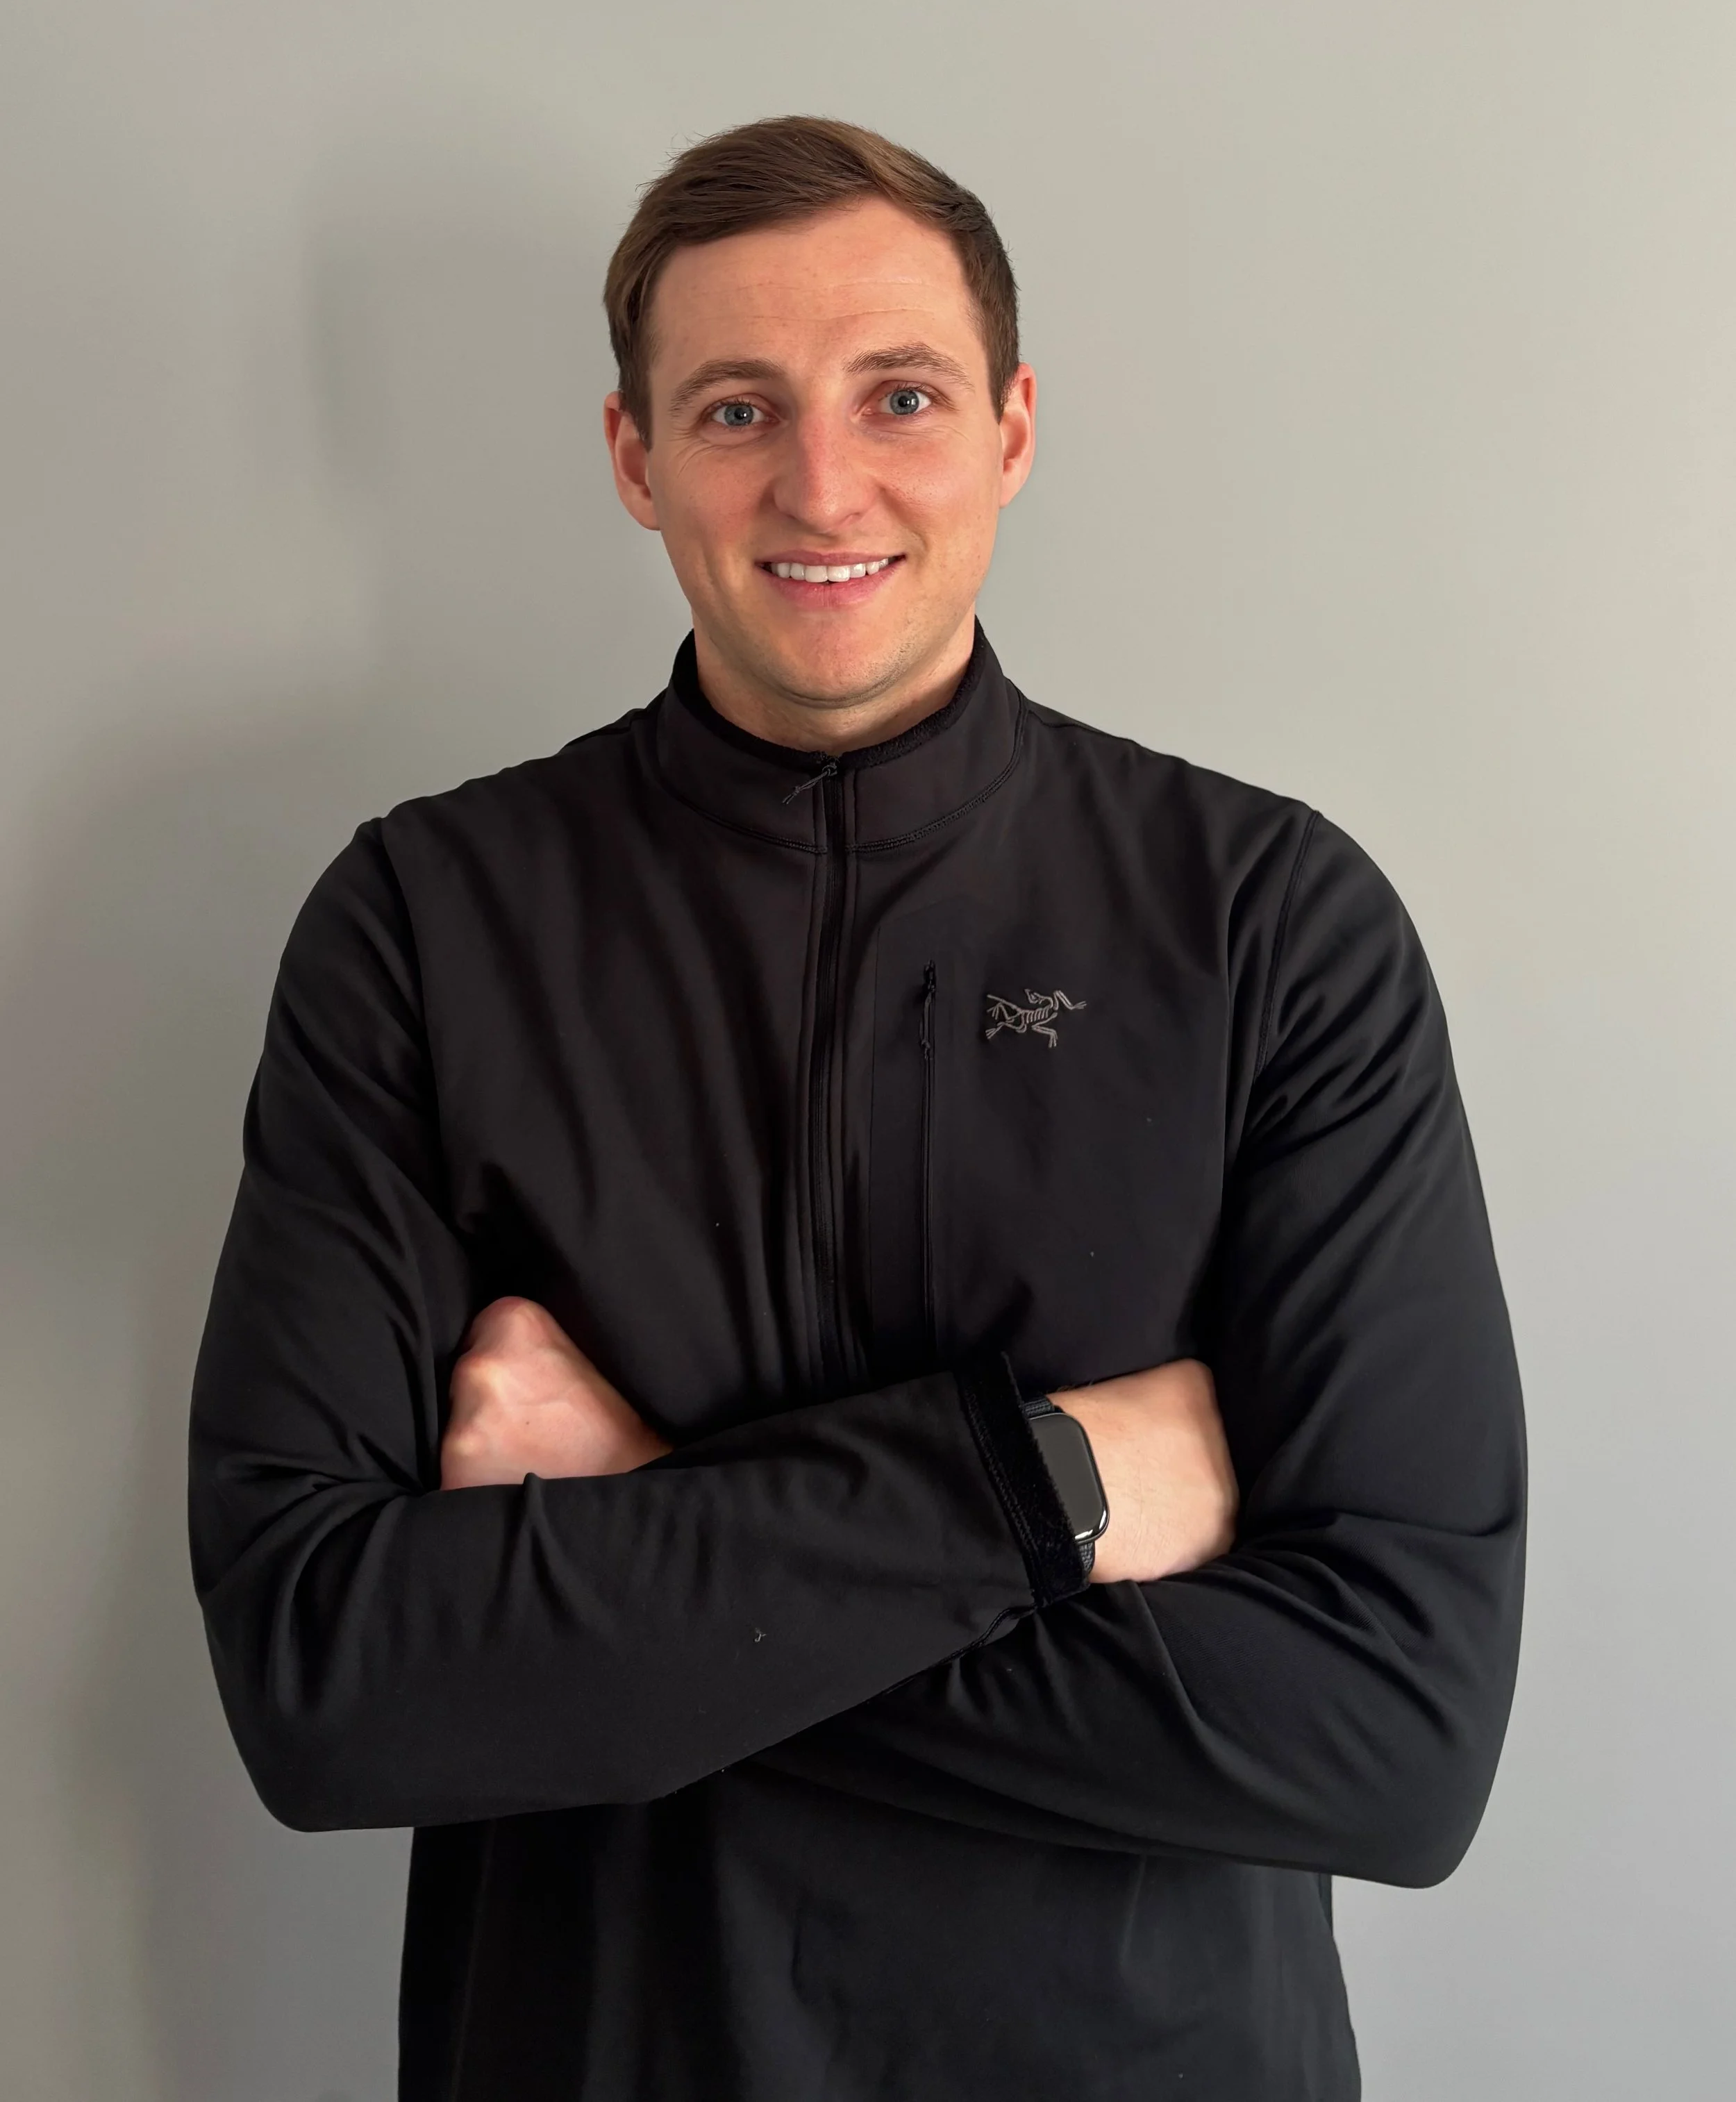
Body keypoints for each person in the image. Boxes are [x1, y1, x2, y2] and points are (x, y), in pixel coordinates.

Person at [189, 115, 1526, 2101]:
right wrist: (1048, 1487)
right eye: (736, 408)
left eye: (896, 393)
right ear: (638, 459)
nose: (821, 483)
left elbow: (1389, 1733)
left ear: (1007, 427)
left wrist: (645, 1505)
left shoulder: (1265, 920)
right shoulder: (425, 920)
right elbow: (325, 1682)